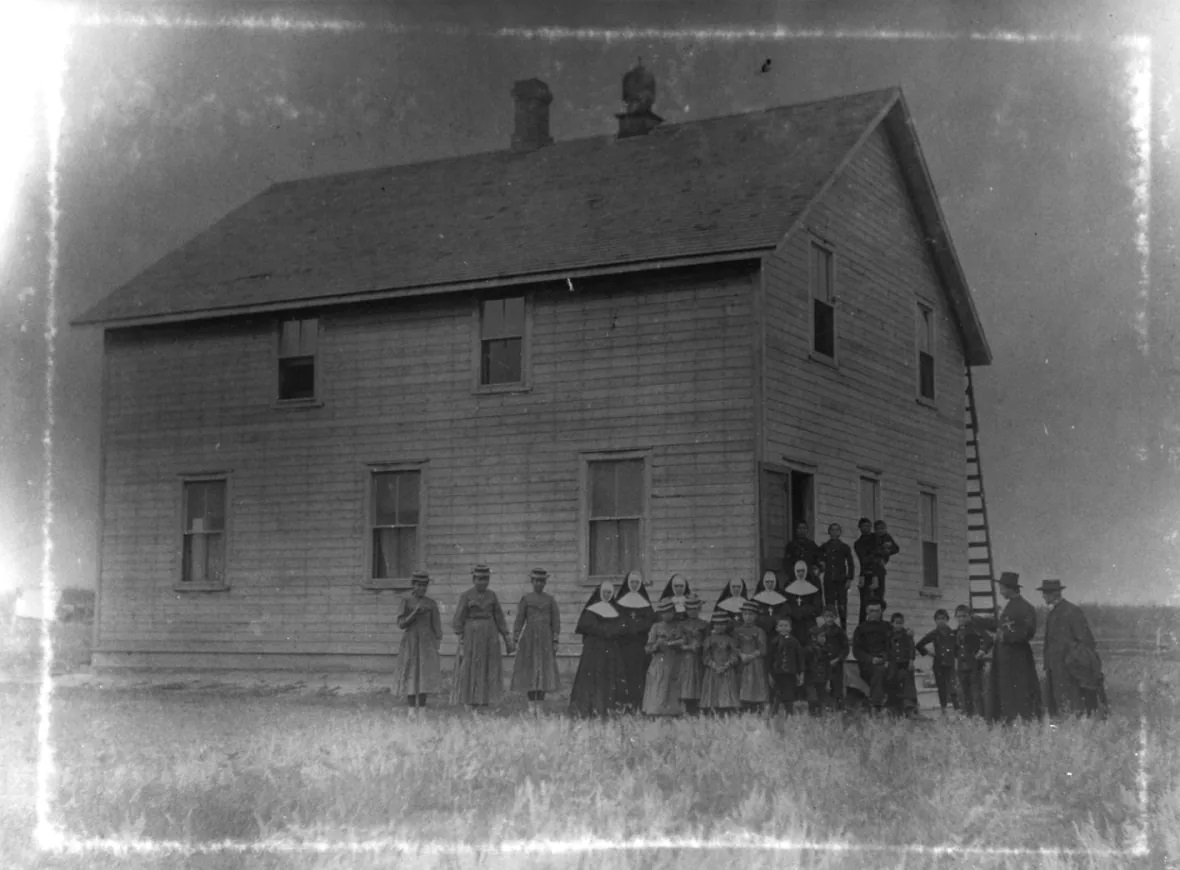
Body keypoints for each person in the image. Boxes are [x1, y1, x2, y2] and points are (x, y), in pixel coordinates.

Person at [974, 572, 1042, 723]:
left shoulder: (1025, 607)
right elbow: (999, 626)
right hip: (1003, 658)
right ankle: (1007, 721)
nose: (1000, 591)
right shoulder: (1009, 606)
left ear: (1009, 588)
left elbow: (1028, 632)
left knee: (1019, 690)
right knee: (1004, 690)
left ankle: (1021, 721)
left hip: (1017, 659)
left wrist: (1006, 637)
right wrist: (978, 621)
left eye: (1001, 588)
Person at [1038, 578, 1106, 718]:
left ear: (1055, 593)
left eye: (1046, 593)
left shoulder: (1072, 611)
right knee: (1058, 704)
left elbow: (1086, 641)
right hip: (1054, 668)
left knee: (1072, 704)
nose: (1044, 596)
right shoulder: (1053, 613)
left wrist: (1073, 660)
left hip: (1069, 669)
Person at [452, 564, 513, 709]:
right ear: (474, 579)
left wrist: (506, 636)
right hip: (471, 635)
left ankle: (485, 700)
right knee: (471, 666)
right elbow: (458, 619)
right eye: (479, 579)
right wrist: (461, 637)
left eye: (486, 579)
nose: (483, 582)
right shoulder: (466, 596)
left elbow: (499, 617)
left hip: (490, 635)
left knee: (488, 666)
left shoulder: (492, 596)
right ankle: (469, 700)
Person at [568, 580, 625, 718]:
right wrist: (605, 630)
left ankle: (607, 708)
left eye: (609, 592)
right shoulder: (591, 609)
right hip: (594, 650)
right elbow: (587, 626)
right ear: (600, 593)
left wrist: (609, 631)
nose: (607, 595)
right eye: (605, 592)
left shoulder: (616, 610)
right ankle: (589, 708)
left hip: (610, 651)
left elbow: (620, 627)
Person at [510, 568, 561, 716]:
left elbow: (555, 621)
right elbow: (519, 619)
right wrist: (516, 637)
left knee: (543, 671)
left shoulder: (550, 600)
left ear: (545, 583)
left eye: (541, 581)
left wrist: (555, 639)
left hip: (545, 639)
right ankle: (531, 705)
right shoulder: (526, 599)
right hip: (529, 639)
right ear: (532, 582)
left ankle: (540, 705)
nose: (538, 584)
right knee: (531, 671)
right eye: (536, 581)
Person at [395, 570, 442, 713]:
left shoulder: (431, 604)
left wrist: (437, 642)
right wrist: (414, 613)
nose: (422, 588)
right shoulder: (406, 602)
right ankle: (410, 709)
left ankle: (422, 709)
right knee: (411, 672)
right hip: (410, 643)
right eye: (419, 585)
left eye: (424, 586)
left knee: (424, 675)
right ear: (413, 585)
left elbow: (437, 625)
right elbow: (401, 624)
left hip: (426, 644)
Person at [616, 569, 654, 712]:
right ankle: (623, 704)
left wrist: (636, 626)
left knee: (638, 674)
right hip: (624, 644)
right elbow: (617, 620)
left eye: (637, 582)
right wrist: (629, 626)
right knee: (624, 674)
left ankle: (638, 703)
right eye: (631, 582)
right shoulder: (620, 602)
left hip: (639, 644)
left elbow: (649, 621)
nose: (634, 585)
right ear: (627, 583)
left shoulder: (645, 602)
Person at [641, 599, 685, 716]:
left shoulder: (678, 626)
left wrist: (671, 643)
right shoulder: (656, 627)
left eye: (670, 612)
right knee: (658, 682)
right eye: (664, 612)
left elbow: (682, 641)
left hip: (673, 659)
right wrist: (657, 645)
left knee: (672, 683)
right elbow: (648, 648)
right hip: (659, 660)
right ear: (660, 614)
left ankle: (672, 710)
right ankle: (656, 710)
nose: (667, 615)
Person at [952, 604, 992, 718]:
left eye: (964, 616)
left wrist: (981, 651)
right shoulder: (956, 632)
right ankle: (969, 718)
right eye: (958, 617)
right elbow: (955, 648)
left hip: (974, 666)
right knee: (965, 695)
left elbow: (989, 639)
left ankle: (981, 718)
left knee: (976, 695)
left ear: (969, 616)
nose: (961, 619)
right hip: (961, 667)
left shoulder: (975, 628)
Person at [852, 599, 892, 714]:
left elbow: (892, 644)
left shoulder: (887, 627)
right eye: (871, 611)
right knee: (879, 671)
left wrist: (886, 658)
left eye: (877, 611)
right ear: (866, 611)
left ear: (882, 611)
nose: (874, 614)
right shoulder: (861, 629)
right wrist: (871, 659)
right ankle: (877, 706)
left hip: (885, 660)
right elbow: (857, 650)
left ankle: (907, 706)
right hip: (868, 664)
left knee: (903, 671)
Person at [699, 610, 740, 716]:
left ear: (726, 625)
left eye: (722, 624)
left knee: (726, 689)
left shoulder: (730, 640)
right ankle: (712, 711)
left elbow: (734, 655)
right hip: (713, 670)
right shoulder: (709, 639)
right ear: (713, 625)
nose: (719, 627)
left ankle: (726, 711)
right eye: (717, 624)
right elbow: (705, 656)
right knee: (713, 690)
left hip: (727, 669)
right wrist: (714, 666)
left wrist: (726, 665)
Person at [916, 608, 957, 715]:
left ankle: (958, 710)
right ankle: (944, 710)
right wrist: (931, 654)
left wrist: (956, 658)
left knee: (953, 687)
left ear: (947, 619)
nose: (941, 621)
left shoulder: (953, 633)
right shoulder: (934, 633)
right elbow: (919, 645)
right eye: (938, 619)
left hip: (950, 664)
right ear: (935, 621)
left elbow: (957, 648)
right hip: (938, 665)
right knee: (941, 687)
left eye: (943, 618)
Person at [734, 600, 770, 714]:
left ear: (755, 616)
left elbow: (763, 650)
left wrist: (750, 656)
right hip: (742, 661)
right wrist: (741, 655)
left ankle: (757, 707)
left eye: (750, 614)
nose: (748, 617)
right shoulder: (737, 631)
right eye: (745, 614)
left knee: (755, 683)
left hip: (755, 662)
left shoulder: (759, 631)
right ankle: (743, 707)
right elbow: (734, 646)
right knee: (743, 683)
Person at [818, 523, 856, 629]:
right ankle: (830, 628)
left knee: (842, 606)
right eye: (832, 530)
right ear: (829, 532)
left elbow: (850, 564)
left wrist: (849, 579)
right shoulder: (825, 546)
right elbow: (817, 556)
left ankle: (843, 630)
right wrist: (821, 563)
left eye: (837, 530)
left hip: (841, 581)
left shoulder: (844, 547)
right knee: (830, 606)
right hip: (829, 579)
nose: (834, 532)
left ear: (840, 532)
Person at [769, 617, 807, 717]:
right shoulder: (774, 642)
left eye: (786, 626)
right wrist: (770, 674)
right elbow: (769, 659)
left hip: (790, 673)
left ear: (790, 628)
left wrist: (801, 673)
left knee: (789, 694)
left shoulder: (794, 642)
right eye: (781, 626)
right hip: (777, 673)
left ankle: (789, 714)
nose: (783, 628)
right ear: (776, 628)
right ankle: (773, 714)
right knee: (777, 693)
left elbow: (800, 658)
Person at [813, 607, 849, 711]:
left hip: (836, 663)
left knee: (837, 684)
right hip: (823, 663)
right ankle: (824, 706)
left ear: (835, 617)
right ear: (823, 617)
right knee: (824, 685)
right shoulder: (820, 630)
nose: (829, 619)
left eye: (831, 616)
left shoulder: (840, 632)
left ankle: (839, 706)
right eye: (827, 616)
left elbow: (845, 647)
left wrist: (838, 659)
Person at [678, 595, 707, 715]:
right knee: (688, 680)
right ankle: (687, 707)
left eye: (695, 609)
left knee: (700, 679)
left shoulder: (705, 624)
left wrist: (700, 644)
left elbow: (708, 641)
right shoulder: (682, 625)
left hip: (700, 657)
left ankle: (700, 706)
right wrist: (689, 647)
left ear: (699, 609)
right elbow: (679, 643)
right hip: (687, 657)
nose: (692, 612)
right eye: (690, 609)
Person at [782, 561, 822, 647]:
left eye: (803, 571)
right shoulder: (788, 587)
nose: (800, 573)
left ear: (806, 571)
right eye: (798, 571)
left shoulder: (813, 588)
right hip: (793, 622)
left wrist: (804, 611)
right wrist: (794, 611)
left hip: (808, 621)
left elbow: (817, 606)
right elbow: (785, 604)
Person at [887, 612, 919, 717]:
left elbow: (911, 648)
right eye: (896, 623)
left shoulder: (907, 634)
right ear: (892, 623)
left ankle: (910, 707)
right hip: (893, 664)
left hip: (905, 663)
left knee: (908, 679)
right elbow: (886, 649)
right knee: (892, 680)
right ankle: (893, 707)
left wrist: (911, 660)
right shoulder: (889, 635)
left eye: (901, 623)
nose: (899, 625)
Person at [853, 518, 883, 624]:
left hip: (877, 574)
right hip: (865, 574)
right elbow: (863, 559)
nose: (867, 528)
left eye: (868, 526)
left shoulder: (876, 538)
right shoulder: (858, 543)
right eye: (864, 526)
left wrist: (875, 575)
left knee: (878, 601)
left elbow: (879, 554)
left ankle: (879, 626)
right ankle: (862, 627)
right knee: (864, 603)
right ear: (860, 528)